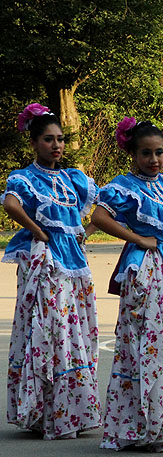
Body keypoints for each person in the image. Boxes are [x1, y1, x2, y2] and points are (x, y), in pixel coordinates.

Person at [92, 118, 163, 452]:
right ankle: (142, 426)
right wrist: (137, 238)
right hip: (147, 269)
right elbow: (99, 217)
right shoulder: (124, 186)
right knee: (149, 343)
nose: (154, 159)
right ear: (133, 154)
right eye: (146, 153)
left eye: (159, 152)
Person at [3, 103, 101, 439]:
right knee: (49, 331)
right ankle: (45, 412)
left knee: (75, 333)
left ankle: (73, 411)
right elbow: (11, 204)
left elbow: (105, 208)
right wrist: (38, 231)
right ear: (33, 142)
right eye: (48, 139)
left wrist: (84, 233)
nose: (56, 145)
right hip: (45, 263)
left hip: (75, 264)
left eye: (60, 139)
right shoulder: (25, 177)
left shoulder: (74, 179)